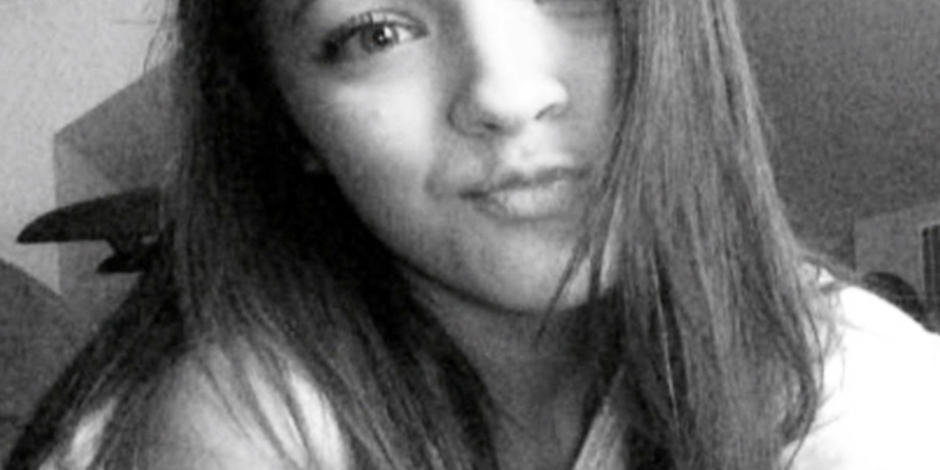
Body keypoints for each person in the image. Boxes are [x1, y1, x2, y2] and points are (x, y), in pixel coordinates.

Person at [6, 0, 940, 469]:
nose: (505, 92)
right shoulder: (212, 430)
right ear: (286, 120)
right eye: (375, 32)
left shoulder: (864, 390)